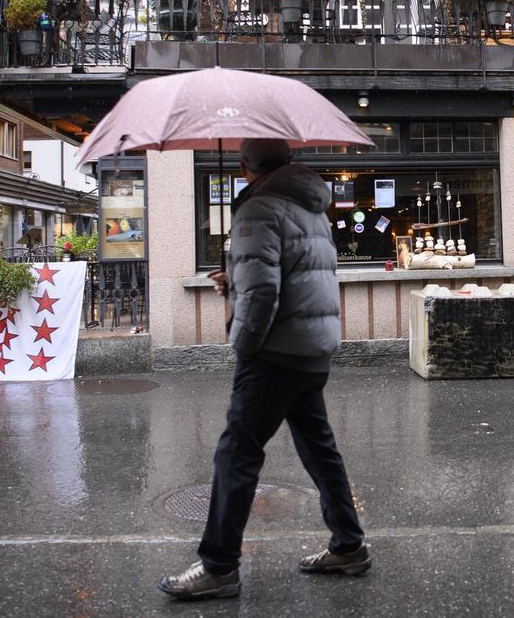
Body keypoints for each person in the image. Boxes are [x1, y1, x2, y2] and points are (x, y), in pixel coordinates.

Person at [159, 138, 371, 601]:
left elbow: (262, 294)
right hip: (310, 349)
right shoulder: (311, 208)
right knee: (319, 450)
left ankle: (218, 567)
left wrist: (246, 345)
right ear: (287, 162)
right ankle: (349, 545)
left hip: (274, 352)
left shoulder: (258, 209)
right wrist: (235, 281)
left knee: (236, 453)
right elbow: (288, 277)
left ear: (243, 167)